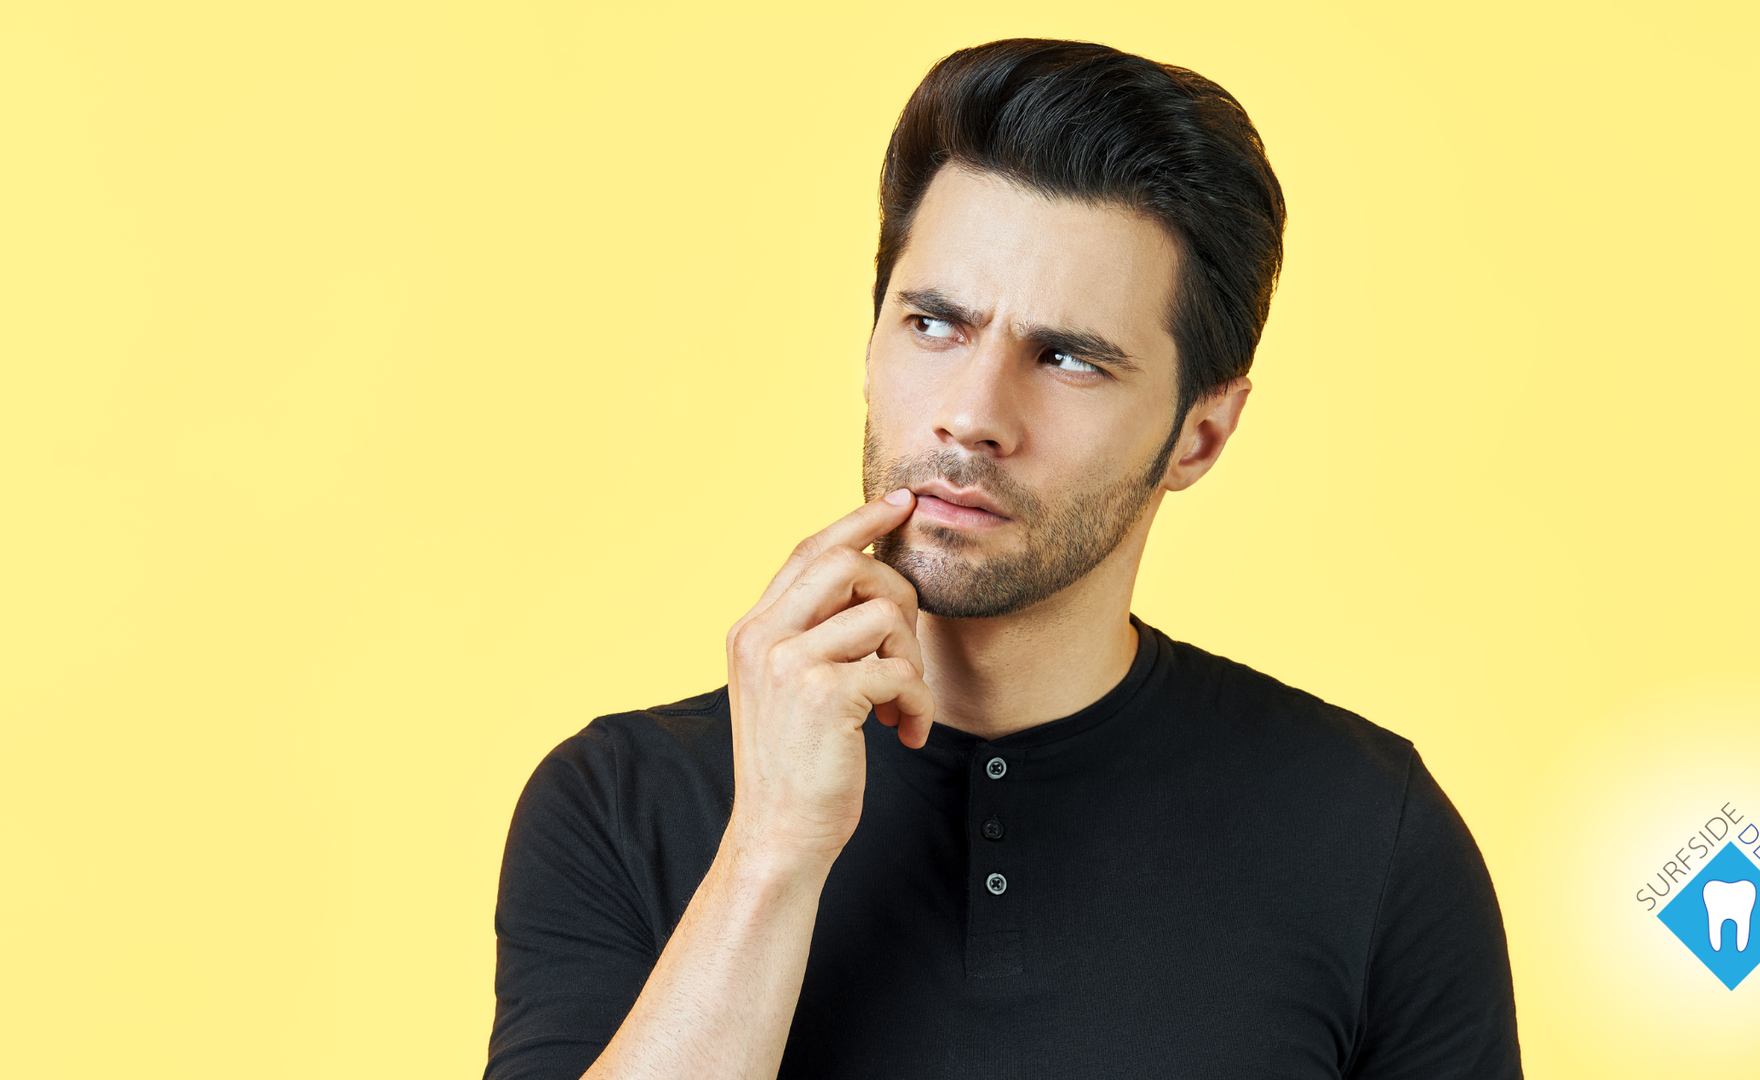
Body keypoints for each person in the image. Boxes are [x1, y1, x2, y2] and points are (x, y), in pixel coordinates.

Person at [487, 38, 1522, 1080]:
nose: (972, 414)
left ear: (1200, 435)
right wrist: (772, 852)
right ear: (871, 343)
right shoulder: (621, 803)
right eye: (935, 324)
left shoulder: (1368, 833)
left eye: (1067, 358)